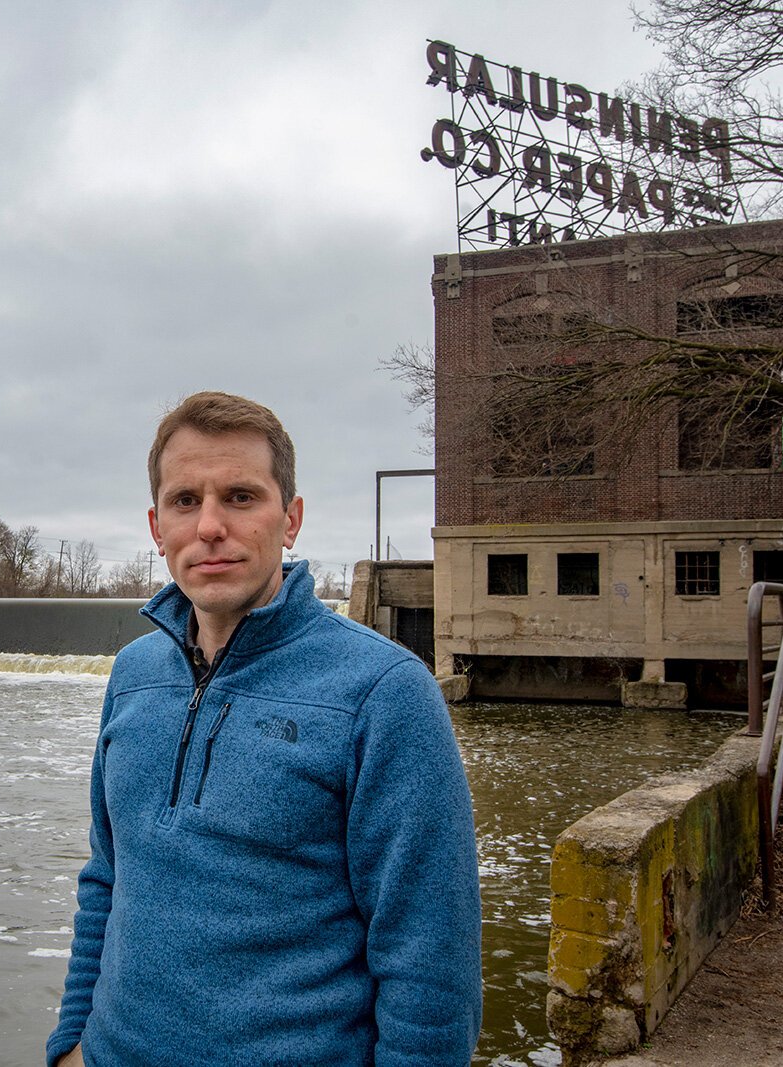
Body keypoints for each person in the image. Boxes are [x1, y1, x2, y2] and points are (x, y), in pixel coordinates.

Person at [46, 391, 481, 1066]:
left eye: (241, 496)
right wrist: (70, 1043)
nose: (210, 525)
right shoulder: (133, 677)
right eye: (185, 500)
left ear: (291, 519)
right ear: (157, 526)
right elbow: (107, 876)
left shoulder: (383, 694)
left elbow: (430, 963)